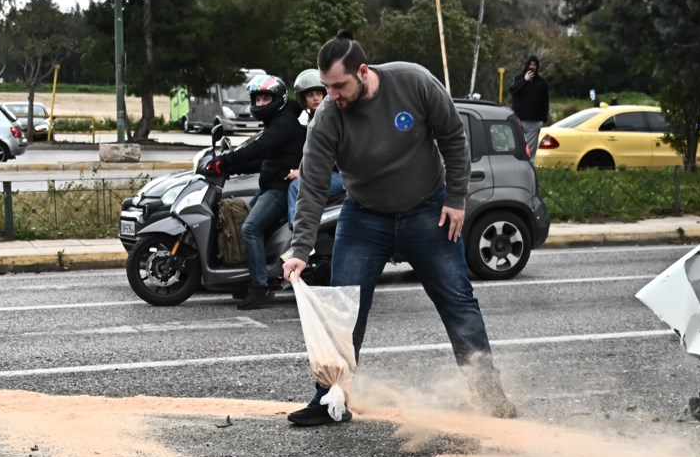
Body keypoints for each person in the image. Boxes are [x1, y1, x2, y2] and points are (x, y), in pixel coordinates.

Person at [282, 29, 518, 426]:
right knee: (345, 311)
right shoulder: (327, 118)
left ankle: (489, 395)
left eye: (338, 86)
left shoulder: (414, 81)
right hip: (364, 218)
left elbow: (454, 140)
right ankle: (329, 399)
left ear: (362, 71)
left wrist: (457, 199)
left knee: (458, 303)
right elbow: (313, 185)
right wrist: (300, 250)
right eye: (325, 87)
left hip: (428, 211)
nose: (331, 96)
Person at [201, 73, 305, 309]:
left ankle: (260, 288)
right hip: (272, 184)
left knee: (250, 228)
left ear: (277, 98)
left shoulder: (284, 123)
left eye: (265, 99)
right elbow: (265, 160)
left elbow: (259, 148)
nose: (259, 104)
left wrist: (226, 162)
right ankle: (254, 276)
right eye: (256, 99)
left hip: (281, 188)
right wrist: (231, 168)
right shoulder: (278, 121)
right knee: (248, 226)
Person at [286, 68, 344, 227]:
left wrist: (303, 172)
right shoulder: (314, 118)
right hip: (329, 172)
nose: (315, 99)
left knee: (296, 187)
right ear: (303, 99)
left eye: (318, 94)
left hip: (339, 175)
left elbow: (328, 156)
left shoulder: (328, 118)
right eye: (310, 95)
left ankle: (296, 233)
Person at [507, 54, 549, 158]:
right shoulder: (518, 78)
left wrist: (542, 120)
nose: (532, 67)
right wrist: (524, 80)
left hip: (533, 123)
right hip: (518, 120)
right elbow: (512, 91)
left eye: (534, 65)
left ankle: (529, 171)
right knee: (516, 148)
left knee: (530, 153)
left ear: (537, 66)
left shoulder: (542, 83)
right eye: (530, 64)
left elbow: (545, 102)